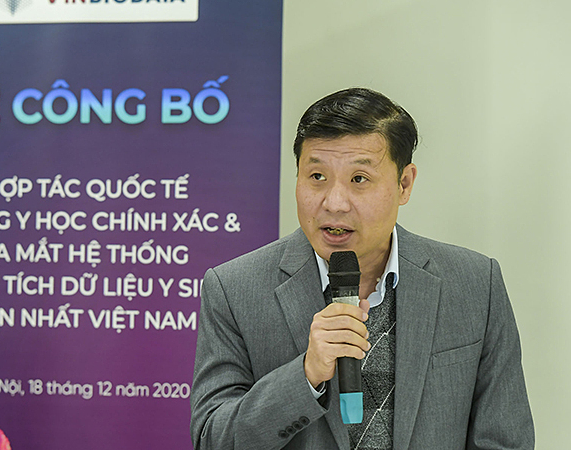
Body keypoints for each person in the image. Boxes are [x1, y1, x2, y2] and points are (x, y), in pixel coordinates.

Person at [190, 88, 534, 450]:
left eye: (359, 179)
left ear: (404, 184)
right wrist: (305, 375)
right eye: (317, 176)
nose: (334, 203)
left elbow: (505, 440)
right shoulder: (234, 289)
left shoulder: (475, 284)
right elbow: (212, 439)